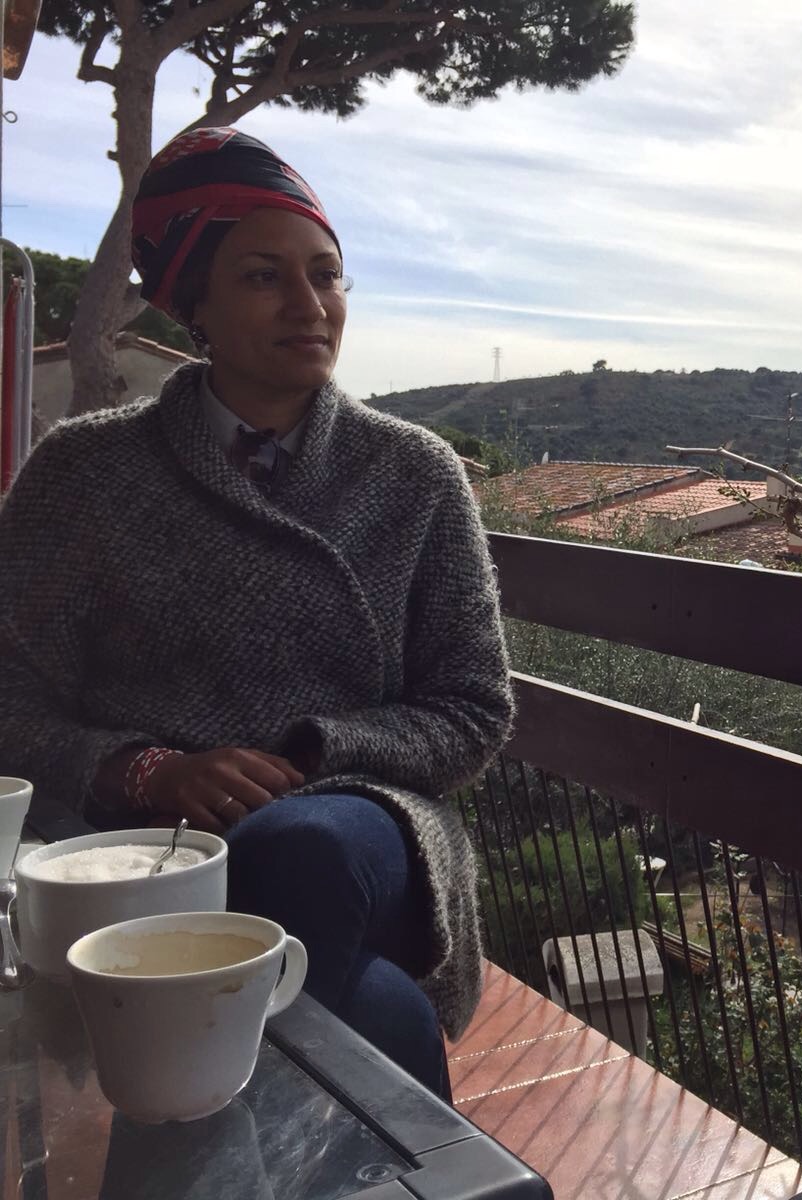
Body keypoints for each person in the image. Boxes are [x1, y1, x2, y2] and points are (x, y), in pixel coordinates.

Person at [0, 128, 512, 1100]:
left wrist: (310, 753)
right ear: (190, 302)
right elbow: (9, 696)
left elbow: (471, 710)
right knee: (379, 1012)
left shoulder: (414, 477)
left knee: (295, 852)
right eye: (264, 277)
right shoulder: (84, 474)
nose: (311, 306)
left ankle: (168, 1133)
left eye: (327, 275)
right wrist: (149, 768)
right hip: (136, 837)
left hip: (356, 820)